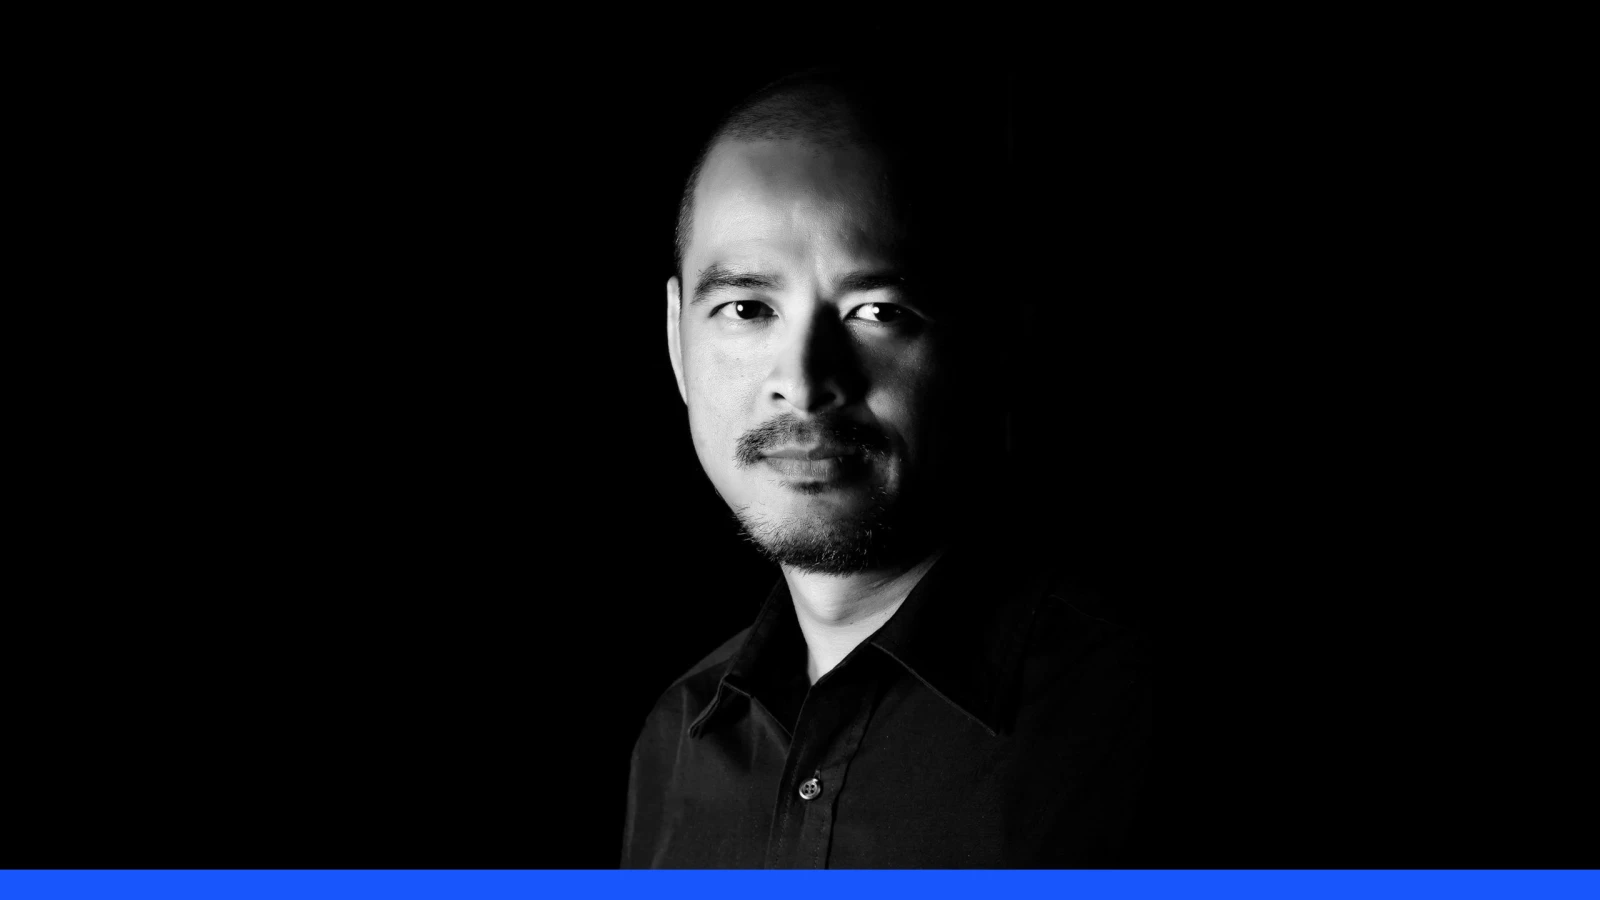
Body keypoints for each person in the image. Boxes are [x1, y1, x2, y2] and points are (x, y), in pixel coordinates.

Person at [621, 66, 1152, 868]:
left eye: (877, 311)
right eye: (747, 309)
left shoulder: (1135, 723)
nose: (803, 382)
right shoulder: (674, 745)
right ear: (676, 344)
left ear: (990, 345)